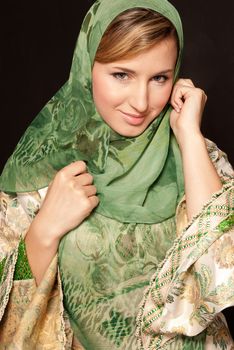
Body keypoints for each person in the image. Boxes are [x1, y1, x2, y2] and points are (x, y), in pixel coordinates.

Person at [0, 0, 233, 349]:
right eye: (121, 75)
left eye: (159, 78)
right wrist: (44, 230)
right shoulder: (42, 169)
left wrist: (189, 136)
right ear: (86, 68)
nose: (140, 102)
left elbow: (223, 273)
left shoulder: (200, 157)